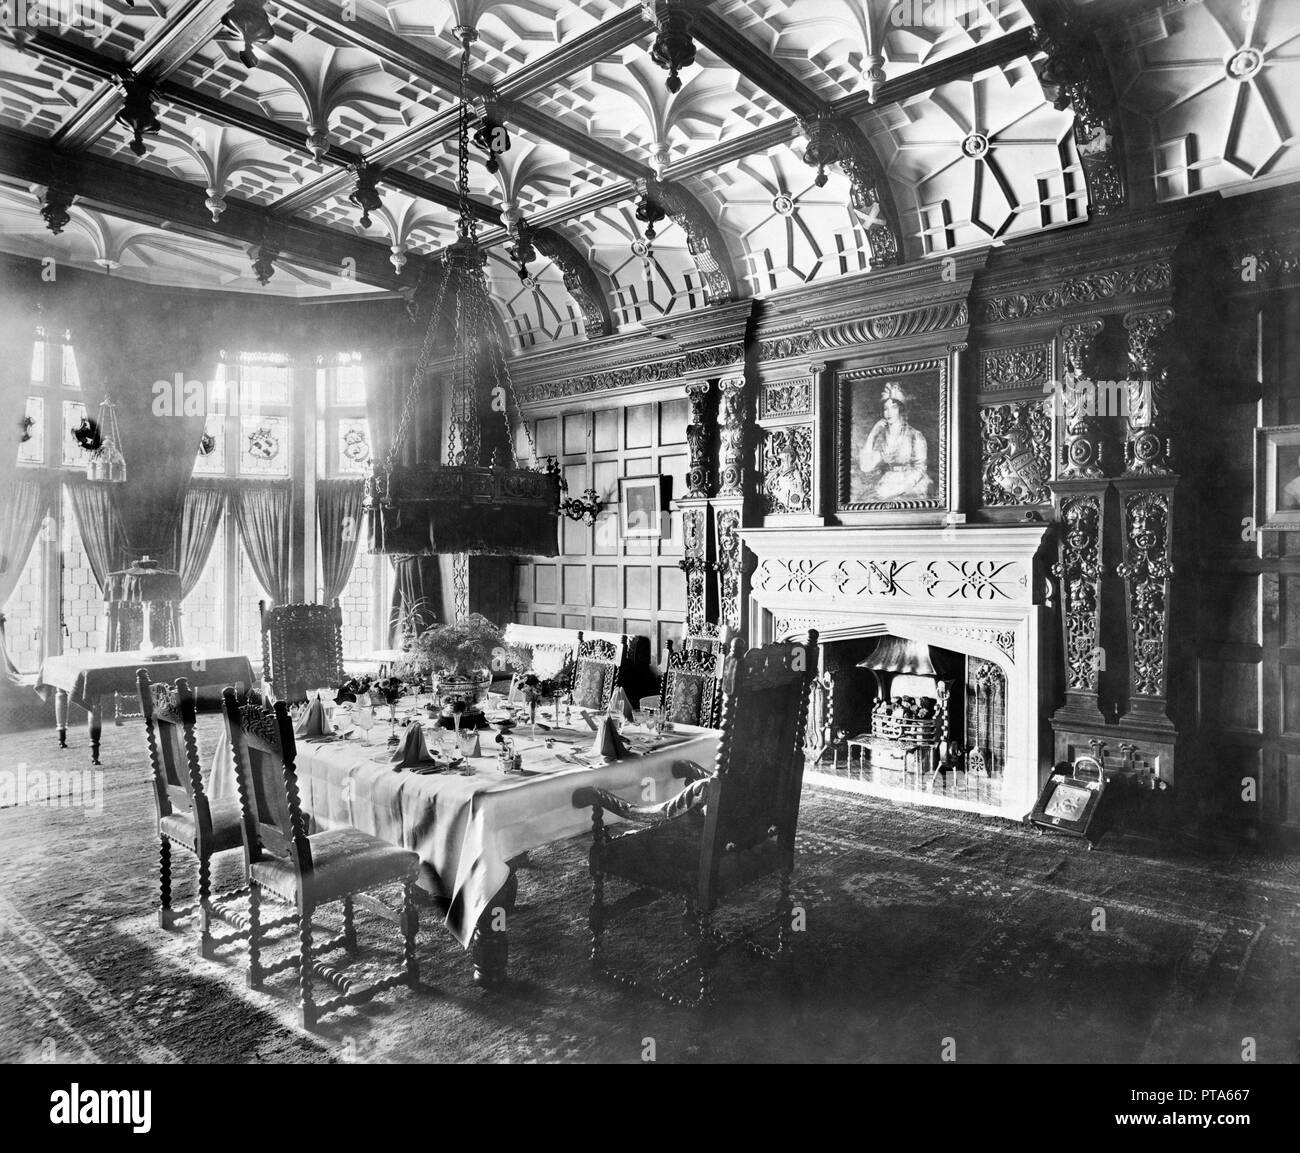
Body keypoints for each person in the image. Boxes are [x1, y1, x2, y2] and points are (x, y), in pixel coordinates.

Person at [858, 383, 935, 501]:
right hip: (889, 481)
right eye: (885, 408)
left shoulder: (915, 435)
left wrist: (897, 490)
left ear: (901, 409)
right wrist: (872, 434)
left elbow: (920, 469)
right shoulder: (882, 437)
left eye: (893, 407)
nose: (889, 413)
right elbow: (865, 467)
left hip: (912, 484)